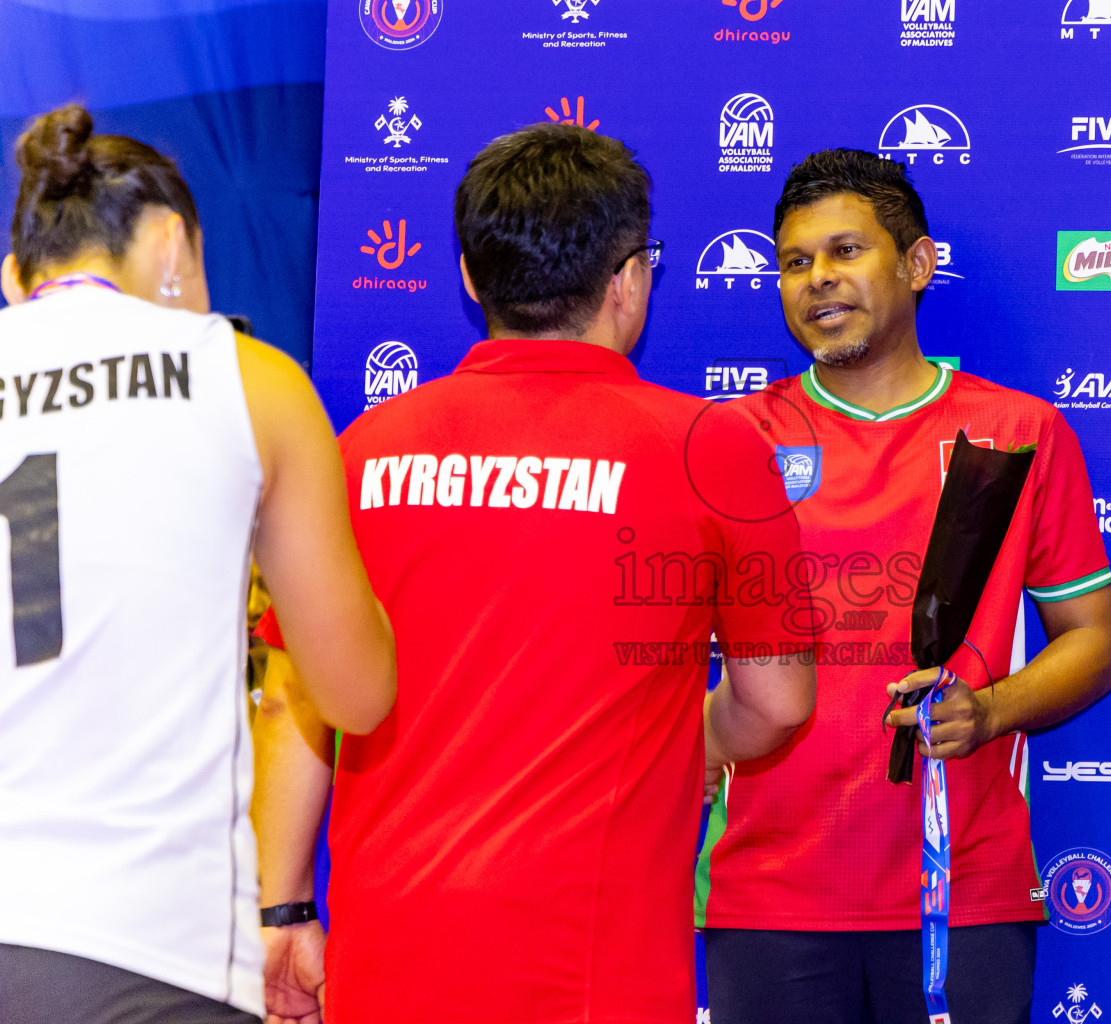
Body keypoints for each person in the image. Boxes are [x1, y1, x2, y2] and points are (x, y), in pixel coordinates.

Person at [251, 122, 817, 1024]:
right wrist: (686, 740)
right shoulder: (713, 448)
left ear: (472, 277)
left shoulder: (363, 451)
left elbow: (295, 698)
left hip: (388, 959)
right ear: (630, 279)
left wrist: (280, 911)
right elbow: (778, 702)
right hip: (594, 973)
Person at [696, 149, 1111, 1024]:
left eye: (845, 251)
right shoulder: (734, 438)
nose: (818, 280)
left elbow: (1096, 645)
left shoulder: (1017, 432)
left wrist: (993, 711)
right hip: (770, 893)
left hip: (961, 890)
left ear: (918, 265)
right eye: (794, 262)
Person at [0, 105, 396, 1024]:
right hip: (145, 951)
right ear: (173, 242)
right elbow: (357, 693)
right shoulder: (246, 377)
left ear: (16, 277)